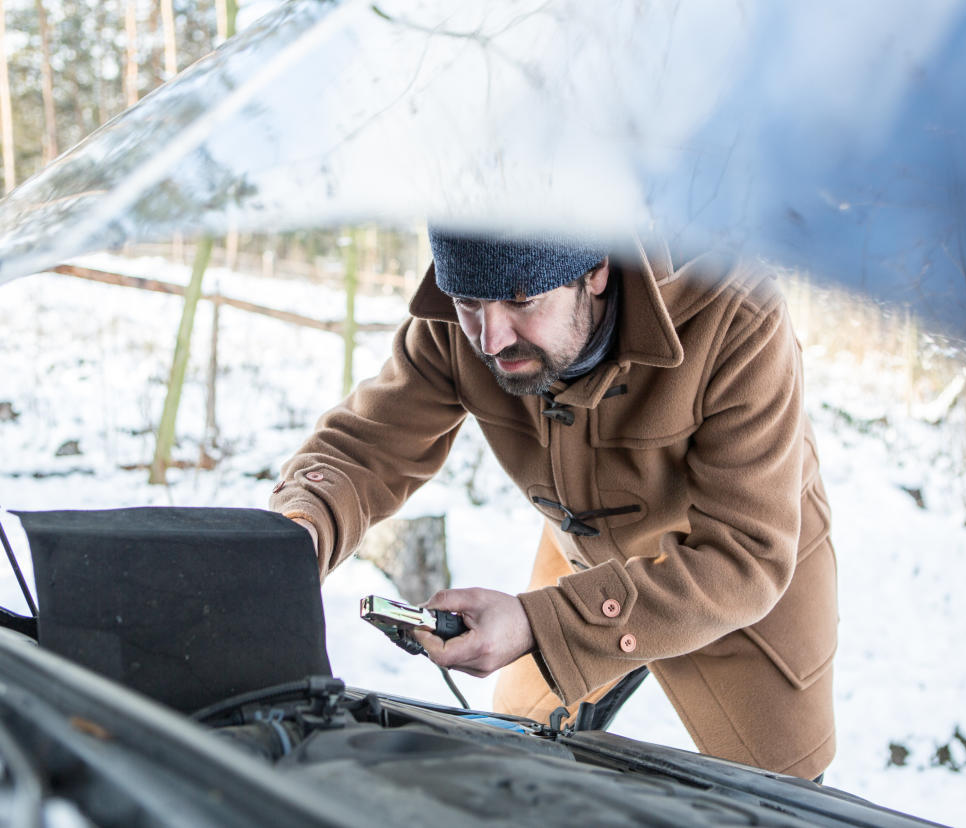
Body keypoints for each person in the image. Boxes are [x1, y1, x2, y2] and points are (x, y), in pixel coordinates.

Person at [270, 229, 837, 780]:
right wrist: (299, 531)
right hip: (580, 555)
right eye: (469, 301)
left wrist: (540, 623)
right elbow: (365, 447)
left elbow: (746, 556)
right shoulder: (462, 322)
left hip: (739, 570)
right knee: (516, 747)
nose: (490, 339)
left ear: (596, 271)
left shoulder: (737, 312)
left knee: (783, 795)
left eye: (523, 301)